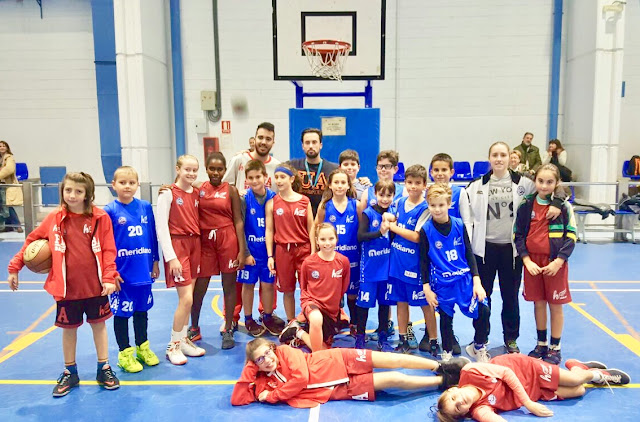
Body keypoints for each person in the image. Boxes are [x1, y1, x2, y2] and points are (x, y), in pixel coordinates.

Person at [8, 172, 120, 396]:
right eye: (68, 190)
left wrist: (109, 277)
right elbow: (31, 241)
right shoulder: (55, 218)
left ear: (87, 194)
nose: (72, 195)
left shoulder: (100, 218)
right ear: (62, 191)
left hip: (96, 287)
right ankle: (70, 371)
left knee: (99, 326)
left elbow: (109, 249)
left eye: (78, 191)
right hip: (67, 289)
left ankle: (104, 367)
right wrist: (15, 266)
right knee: (68, 329)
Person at [466, 142, 563, 354]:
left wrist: (557, 201)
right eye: (495, 155)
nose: (499, 159)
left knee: (510, 297)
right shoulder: (475, 186)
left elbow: (553, 187)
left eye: (503, 154)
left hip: (512, 251)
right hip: (484, 251)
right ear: (489, 158)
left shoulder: (525, 183)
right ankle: (480, 339)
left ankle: (511, 339)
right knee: (483, 297)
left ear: (510, 157)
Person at [231, 337, 471, 407]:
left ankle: (439, 366)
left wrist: (274, 396)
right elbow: (238, 398)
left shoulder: (284, 352)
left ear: (273, 348)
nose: (267, 360)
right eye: (260, 360)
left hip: (339, 360)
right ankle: (443, 381)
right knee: (392, 378)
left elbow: (301, 378)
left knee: (391, 359)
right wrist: (251, 366)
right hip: (338, 389)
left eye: (267, 353)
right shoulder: (262, 379)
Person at [436, 353, 631, 422]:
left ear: (452, 390)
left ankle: (597, 375)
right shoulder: (480, 410)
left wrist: (528, 404)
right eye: (458, 408)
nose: (460, 402)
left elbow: (507, 373)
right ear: (466, 413)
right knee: (578, 390)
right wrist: (529, 399)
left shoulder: (470, 371)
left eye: (453, 399)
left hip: (525, 369)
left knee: (573, 380)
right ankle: (578, 366)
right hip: (531, 391)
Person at [420, 184, 490, 363]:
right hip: (442, 283)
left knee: (484, 310)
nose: (437, 209)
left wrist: (477, 282)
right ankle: (447, 353)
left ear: (449, 204)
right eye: (433, 205)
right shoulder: (426, 230)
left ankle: (478, 346)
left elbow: (469, 253)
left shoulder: (459, 225)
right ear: (428, 204)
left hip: (464, 279)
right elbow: (423, 261)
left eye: (441, 205)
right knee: (445, 318)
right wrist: (426, 288)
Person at [514, 164, 577, 364]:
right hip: (533, 263)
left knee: (555, 305)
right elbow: (518, 235)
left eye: (549, 182)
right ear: (535, 181)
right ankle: (541, 344)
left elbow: (572, 236)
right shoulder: (526, 204)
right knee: (539, 304)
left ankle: (555, 347)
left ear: (557, 183)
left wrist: (559, 261)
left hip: (554, 264)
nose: (544, 185)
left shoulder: (563, 207)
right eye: (540, 181)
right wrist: (526, 260)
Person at [187, 152, 246, 350]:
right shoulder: (199, 188)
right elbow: (181, 187)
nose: (215, 172)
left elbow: (238, 220)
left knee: (228, 286)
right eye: (212, 168)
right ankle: (194, 327)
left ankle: (228, 329)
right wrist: (168, 188)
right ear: (206, 169)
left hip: (227, 239)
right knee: (199, 287)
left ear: (224, 170)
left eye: (219, 169)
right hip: (206, 242)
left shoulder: (231, 190)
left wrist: (242, 250)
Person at [105, 166, 160, 373]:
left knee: (141, 312)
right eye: (122, 182)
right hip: (122, 275)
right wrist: (110, 272)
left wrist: (155, 261)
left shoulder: (145, 207)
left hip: (143, 272)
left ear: (137, 185)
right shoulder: (109, 211)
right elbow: (105, 244)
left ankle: (142, 348)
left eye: (131, 183)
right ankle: (124, 353)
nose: (127, 186)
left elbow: (152, 235)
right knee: (121, 314)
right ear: (114, 185)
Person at [156, 154, 206, 365]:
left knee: (190, 298)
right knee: (186, 300)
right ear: (178, 169)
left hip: (195, 245)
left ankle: (183, 340)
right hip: (178, 247)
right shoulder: (167, 193)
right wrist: (171, 258)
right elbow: (161, 227)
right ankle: (173, 345)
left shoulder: (195, 193)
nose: (191, 173)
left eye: (195, 170)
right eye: (187, 169)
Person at [387, 164, 439, 355]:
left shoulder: (425, 208)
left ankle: (433, 340)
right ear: (405, 183)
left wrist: (393, 227)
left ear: (425, 185)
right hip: (397, 261)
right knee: (401, 302)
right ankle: (403, 339)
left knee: (425, 305)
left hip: (415, 264)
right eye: (409, 182)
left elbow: (417, 237)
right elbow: (392, 217)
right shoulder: (399, 202)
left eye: (417, 183)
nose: (413, 186)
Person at [281, 223, 351, 352]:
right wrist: (308, 307)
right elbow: (304, 287)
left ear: (336, 239)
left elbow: (343, 287)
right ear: (317, 241)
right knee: (316, 319)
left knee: (325, 345)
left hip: (331, 310)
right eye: (323, 239)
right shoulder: (309, 262)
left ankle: (297, 331)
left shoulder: (343, 261)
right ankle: (317, 358)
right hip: (312, 303)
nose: (327, 243)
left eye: (331, 238)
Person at [237, 160, 284, 337]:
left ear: (266, 177)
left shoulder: (274, 198)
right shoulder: (243, 199)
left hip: (268, 253)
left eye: (258, 176)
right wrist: (245, 253)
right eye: (251, 178)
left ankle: (267, 317)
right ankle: (248, 319)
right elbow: (240, 228)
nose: (255, 181)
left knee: (268, 285)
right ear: (246, 180)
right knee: (248, 285)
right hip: (251, 252)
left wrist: (275, 253)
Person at [315, 169, 362, 339]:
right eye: (336, 182)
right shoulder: (324, 206)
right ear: (330, 185)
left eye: (343, 182)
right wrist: (315, 252)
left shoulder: (356, 205)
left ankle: (354, 324)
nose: (340, 185)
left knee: (352, 293)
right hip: (330, 259)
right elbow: (315, 227)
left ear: (349, 185)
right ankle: (332, 324)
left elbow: (363, 229)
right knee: (333, 293)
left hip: (353, 258)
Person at [265, 164, 315, 322]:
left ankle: (308, 320)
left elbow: (311, 227)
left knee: (308, 289)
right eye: (276, 177)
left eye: (282, 177)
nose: (278, 180)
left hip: (303, 249)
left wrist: (314, 252)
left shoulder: (304, 201)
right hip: (283, 251)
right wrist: (270, 256)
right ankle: (291, 322)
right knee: (287, 290)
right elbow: (269, 230)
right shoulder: (272, 203)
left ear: (292, 179)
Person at [356, 180, 397, 352]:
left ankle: (383, 337)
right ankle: (360, 337)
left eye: (389, 195)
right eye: (381, 195)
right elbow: (360, 236)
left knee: (384, 304)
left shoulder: (394, 214)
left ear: (393, 196)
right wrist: (380, 232)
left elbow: (394, 238)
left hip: (387, 268)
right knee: (364, 304)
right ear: (375, 194)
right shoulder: (368, 213)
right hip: (369, 268)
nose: (385, 199)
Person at [287, 128, 339, 215]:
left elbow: (348, 183)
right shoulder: (292, 166)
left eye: (314, 142)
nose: (311, 146)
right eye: (307, 143)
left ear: (320, 145)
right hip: (299, 216)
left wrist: (361, 181)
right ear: (303, 146)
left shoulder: (334, 169)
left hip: (325, 216)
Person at [223, 122, 281, 194]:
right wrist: (237, 195)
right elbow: (224, 189)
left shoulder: (277, 167)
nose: (263, 142)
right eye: (260, 137)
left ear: (273, 143)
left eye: (268, 139)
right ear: (254, 140)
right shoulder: (239, 160)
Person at [0, 140, 23, 232]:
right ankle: (7, 226)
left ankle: (17, 225)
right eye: (0, 146)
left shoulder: (9, 158)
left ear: (7, 148)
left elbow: (9, 169)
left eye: (4, 146)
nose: (2, 147)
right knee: (2, 206)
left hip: (6, 185)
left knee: (7, 206)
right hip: (1, 185)